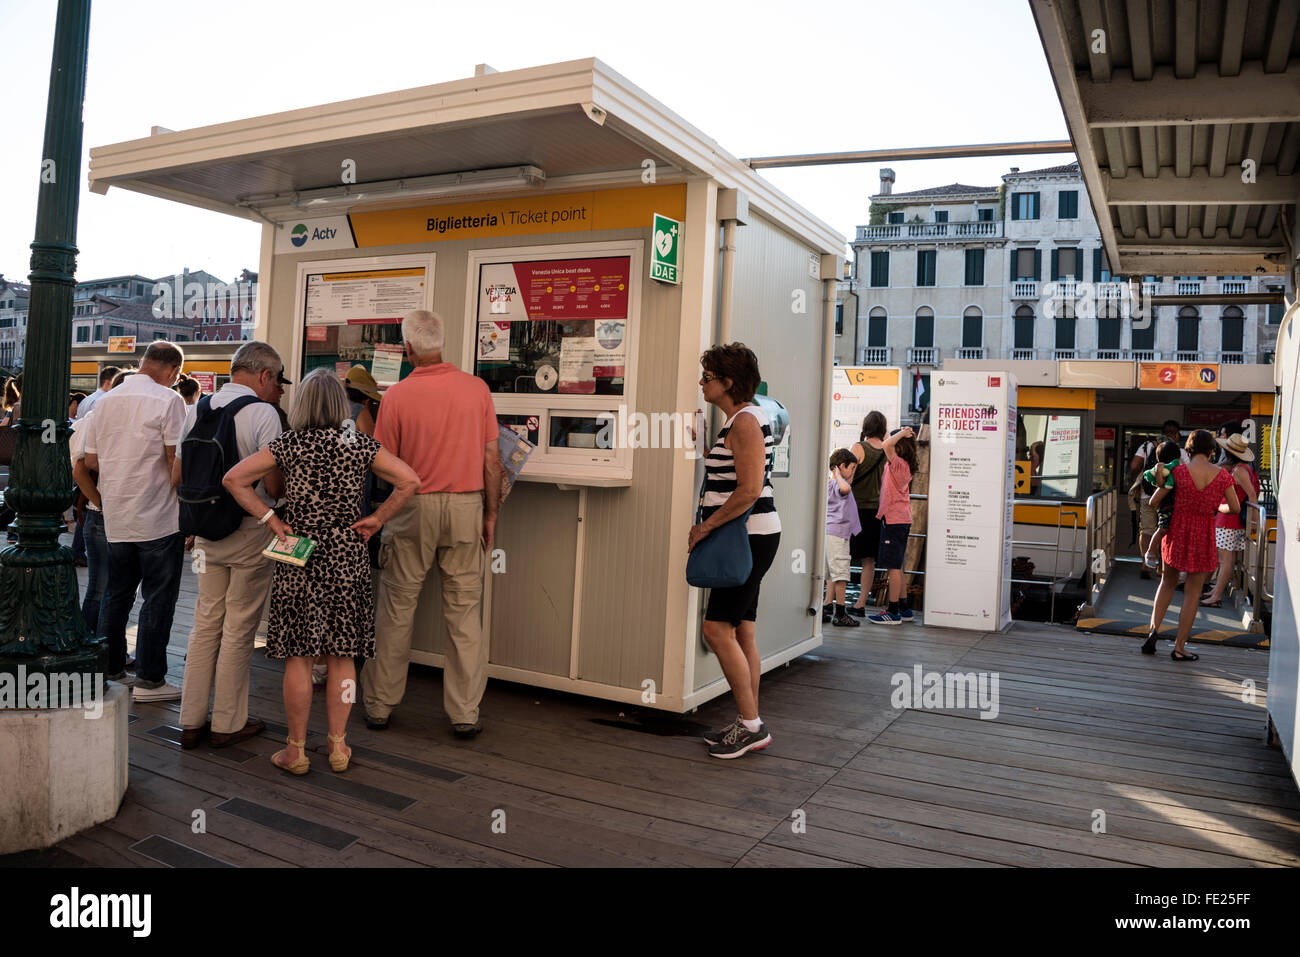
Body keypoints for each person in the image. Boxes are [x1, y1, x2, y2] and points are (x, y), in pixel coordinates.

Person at [224, 368, 418, 773]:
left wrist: (270, 521)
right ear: (337, 404)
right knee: (342, 656)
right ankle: (338, 746)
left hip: (301, 550)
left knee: (299, 655)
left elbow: (235, 479)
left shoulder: (289, 443)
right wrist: (378, 518)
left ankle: (295, 750)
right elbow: (409, 480)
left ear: (304, 404)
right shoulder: (358, 443)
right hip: (348, 551)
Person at [362, 310, 502, 739]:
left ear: (407, 348)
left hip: (412, 509)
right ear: (442, 342)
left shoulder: (398, 396)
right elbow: (492, 462)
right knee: (464, 615)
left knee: (396, 610)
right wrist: (490, 514)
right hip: (465, 508)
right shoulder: (476, 389)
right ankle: (464, 713)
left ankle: (380, 705)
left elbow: (386, 466)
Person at [173, 342, 287, 749]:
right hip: (248, 529)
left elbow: (178, 474)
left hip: (204, 532)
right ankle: (226, 723)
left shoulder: (198, 409)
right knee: (239, 628)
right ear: (265, 375)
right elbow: (272, 485)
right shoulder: (263, 414)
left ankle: (189, 721)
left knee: (205, 624)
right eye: (277, 381)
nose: (277, 390)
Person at [81, 342, 189, 699]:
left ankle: (111, 669)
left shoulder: (105, 401)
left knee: (116, 595)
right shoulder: (169, 400)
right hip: (158, 515)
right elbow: (176, 463)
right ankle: (150, 679)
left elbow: (92, 461)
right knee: (157, 598)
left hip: (116, 514)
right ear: (173, 371)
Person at [689, 343, 782, 760]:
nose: (702, 383)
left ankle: (751, 725)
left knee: (716, 629)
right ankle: (750, 718)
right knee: (742, 630)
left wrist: (705, 528)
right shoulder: (741, 421)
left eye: (707, 377)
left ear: (727, 383)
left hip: (747, 538)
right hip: (753, 536)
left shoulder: (744, 422)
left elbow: (748, 490)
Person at [1142, 430, 1240, 660]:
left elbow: (1155, 501)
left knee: (1167, 583)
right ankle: (1179, 648)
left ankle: (1153, 631)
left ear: (1188, 449)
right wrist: (1216, 507)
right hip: (1204, 532)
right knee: (1193, 593)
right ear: (1212, 451)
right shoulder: (1224, 476)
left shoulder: (1177, 472)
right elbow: (1234, 507)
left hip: (1176, 530)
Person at [1201, 433, 1260, 607]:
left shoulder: (1239, 470)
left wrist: (1254, 521)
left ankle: (1216, 595)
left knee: (1225, 560)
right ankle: (1215, 591)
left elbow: (1251, 495)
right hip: (1231, 520)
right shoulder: (1243, 469)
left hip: (1228, 520)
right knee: (1228, 559)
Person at [868, 427, 918, 625]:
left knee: (892, 567)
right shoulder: (904, 464)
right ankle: (904, 608)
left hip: (895, 520)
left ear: (899, 446)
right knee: (897, 566)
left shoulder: (897, 464)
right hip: (900, 519)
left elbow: (886, 444)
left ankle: (893, 610)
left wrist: (903, 432)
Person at [1131, 421, 1187, 576]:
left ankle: (1145, 564)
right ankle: (1162, 567)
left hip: (1147, 495)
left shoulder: (1147, 446)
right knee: (1166, 530)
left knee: (1147, 530)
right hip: (1170, 499)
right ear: (1176, 434)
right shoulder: (1180, 452)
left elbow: (1134, 466)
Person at [846, 411, 886, 616]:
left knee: (844, 555)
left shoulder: (858, 448)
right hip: (877, 512)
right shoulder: (888, 450)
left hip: (856, 509)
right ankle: (861, 603)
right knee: (868, 560)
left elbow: (847, 478)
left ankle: (834, 601)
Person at [823, 449, 861, 627]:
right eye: (851, 468)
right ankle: (840, 613)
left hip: (832, 532)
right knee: (841, 575)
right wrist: (838, 473)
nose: (853, 472)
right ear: (840, 468)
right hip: (837, 534)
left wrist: (839, 472)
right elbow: (846, 488)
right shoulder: (839, 485)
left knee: (831, 573)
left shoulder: (830, 484)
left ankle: (825, 607)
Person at [1141, 440, 1182, 570]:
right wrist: (1159, 472)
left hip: (1174, 507)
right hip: (1166, 506)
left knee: (1165, 533)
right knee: (1162, 529)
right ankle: (1150, 553)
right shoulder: (1164, 469)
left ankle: (1166, 565)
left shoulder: (1176, 469)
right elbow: (1161, 484)